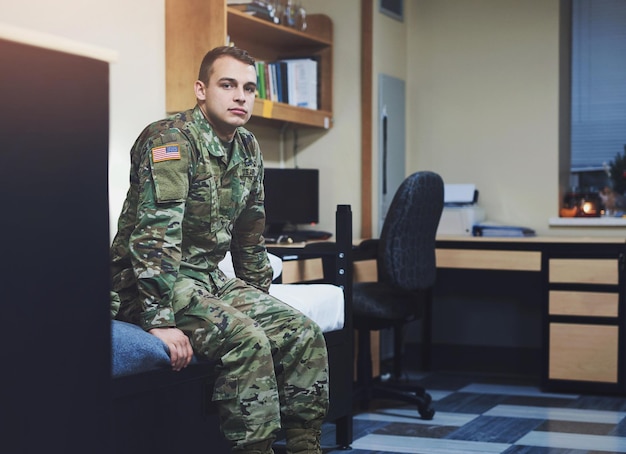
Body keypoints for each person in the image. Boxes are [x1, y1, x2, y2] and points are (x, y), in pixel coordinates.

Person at [110, 46, 329, 454]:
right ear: (201, 89)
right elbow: (155, 239)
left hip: (206, 278)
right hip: (152, 281)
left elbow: (250, 235)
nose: (240, 96)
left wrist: (258, 301)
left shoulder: (246, 147)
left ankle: (305, 447)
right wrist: (159, 319)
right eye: (227, 85)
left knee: (300, 331)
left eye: (248, 88)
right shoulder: (170, 140)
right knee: (247, 339)